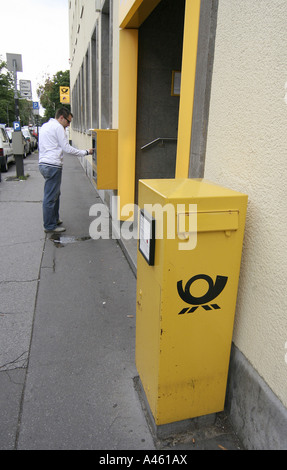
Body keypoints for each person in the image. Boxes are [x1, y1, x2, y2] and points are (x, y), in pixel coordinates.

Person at [38, 108, 93, 233]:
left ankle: (54, 219)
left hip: (44, 164)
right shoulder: (58, 128)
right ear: (61, 117)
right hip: (53, 165)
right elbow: (67, 148)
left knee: (55, 194)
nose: (69, 125)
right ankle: (49, 226)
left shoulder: (45, 126)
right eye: (68, 122)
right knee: (51, 197)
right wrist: (85, 152)